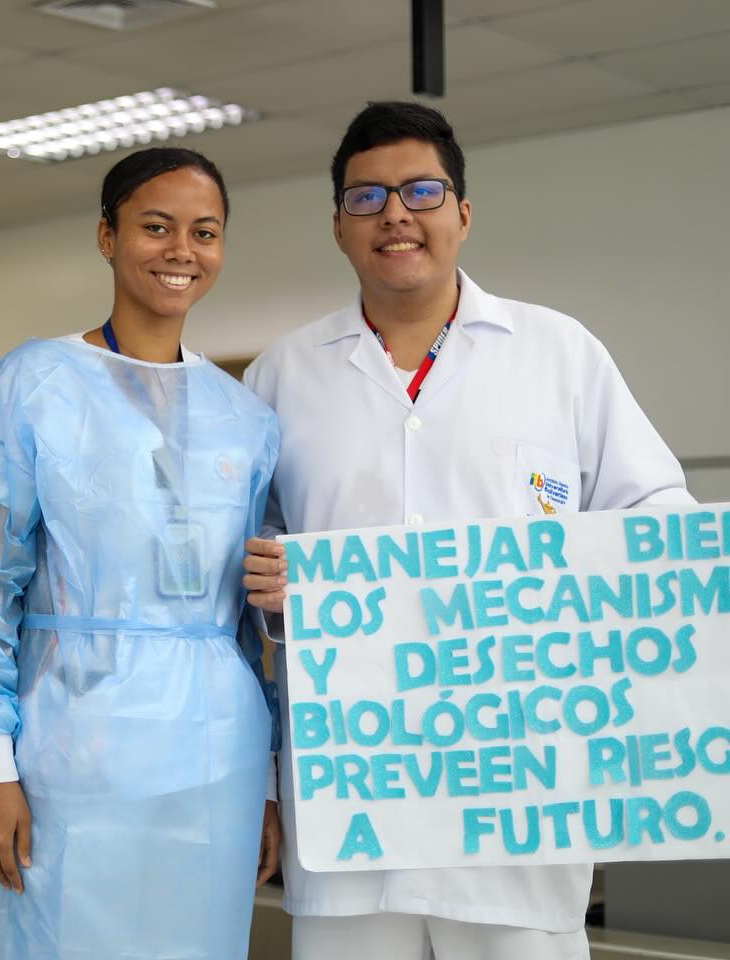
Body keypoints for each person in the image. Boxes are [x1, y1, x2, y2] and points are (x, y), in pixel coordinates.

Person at [242, 101, 692, 960]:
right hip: (352, 809)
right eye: (367, 198)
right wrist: (277, 591)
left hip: (518, 805)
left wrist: (564, 576)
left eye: (421, 191)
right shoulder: (282, 377)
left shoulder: (559, 354)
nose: (395, 215)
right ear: (338, 226)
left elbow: (656, 524)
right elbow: (240, 573)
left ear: (464, 213)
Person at [0, 147, 281, 960]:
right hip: (68, 748)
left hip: (213, 759)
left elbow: (246, 624)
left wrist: (264, 781)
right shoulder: (36, 383)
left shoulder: (245, 420)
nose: (181, 250)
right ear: (107, 236)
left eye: (205, 231)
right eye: (156, 226)